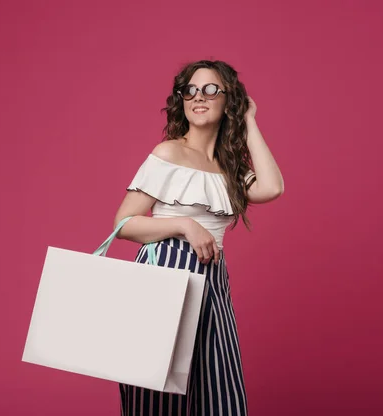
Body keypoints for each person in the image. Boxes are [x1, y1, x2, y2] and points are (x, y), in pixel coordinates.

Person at [113, 60, 285, 416]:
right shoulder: (168, 153)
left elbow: (272, 187)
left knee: (217, 392)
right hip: (163, 274)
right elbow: (124, 224)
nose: (198, 97)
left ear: (229, 101)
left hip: (211, 282)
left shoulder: (230, 168)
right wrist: (184, 226)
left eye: (210, 90)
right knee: (155, 396)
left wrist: (250, 120)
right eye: (190, 90)